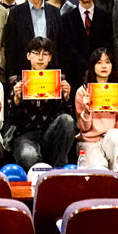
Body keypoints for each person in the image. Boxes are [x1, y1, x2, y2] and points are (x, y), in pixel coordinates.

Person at [7, 37, 75, 170]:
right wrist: (16, 100)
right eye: (36, 53)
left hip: (49, 133)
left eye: (45, 54)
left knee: (67, 120)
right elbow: (12, 120)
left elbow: (69, 122)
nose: (40, 58)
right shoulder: (19, 82)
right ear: (28, 56)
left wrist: (67, 98)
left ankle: (57, 171)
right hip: (25, 135)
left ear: (50, 58)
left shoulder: (58, 81)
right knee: (28, 157)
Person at [75, 48, 118, 169]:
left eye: (107, 62)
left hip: (112, 140)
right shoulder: (83, 91)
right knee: (99, 169)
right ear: (93, 66)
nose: (104, 66)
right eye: (99, 62)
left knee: (115, 135)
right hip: (90, 142)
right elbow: (84, 128)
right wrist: (87, 111)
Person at [3, 0, 63, 79]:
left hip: (51, 69)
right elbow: (11, 46)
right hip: (24, 69)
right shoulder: (15, 12)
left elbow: (60, 43)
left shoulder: (55, 12)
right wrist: (12, 74)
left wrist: (61, 71)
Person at [61, 0, 114, 93]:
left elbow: (108, 42)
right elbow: (66, 44)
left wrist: (96, 62)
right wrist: (82, 63)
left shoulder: (105, 16)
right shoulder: (67, 18)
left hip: (100, 70)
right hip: (75, 70)